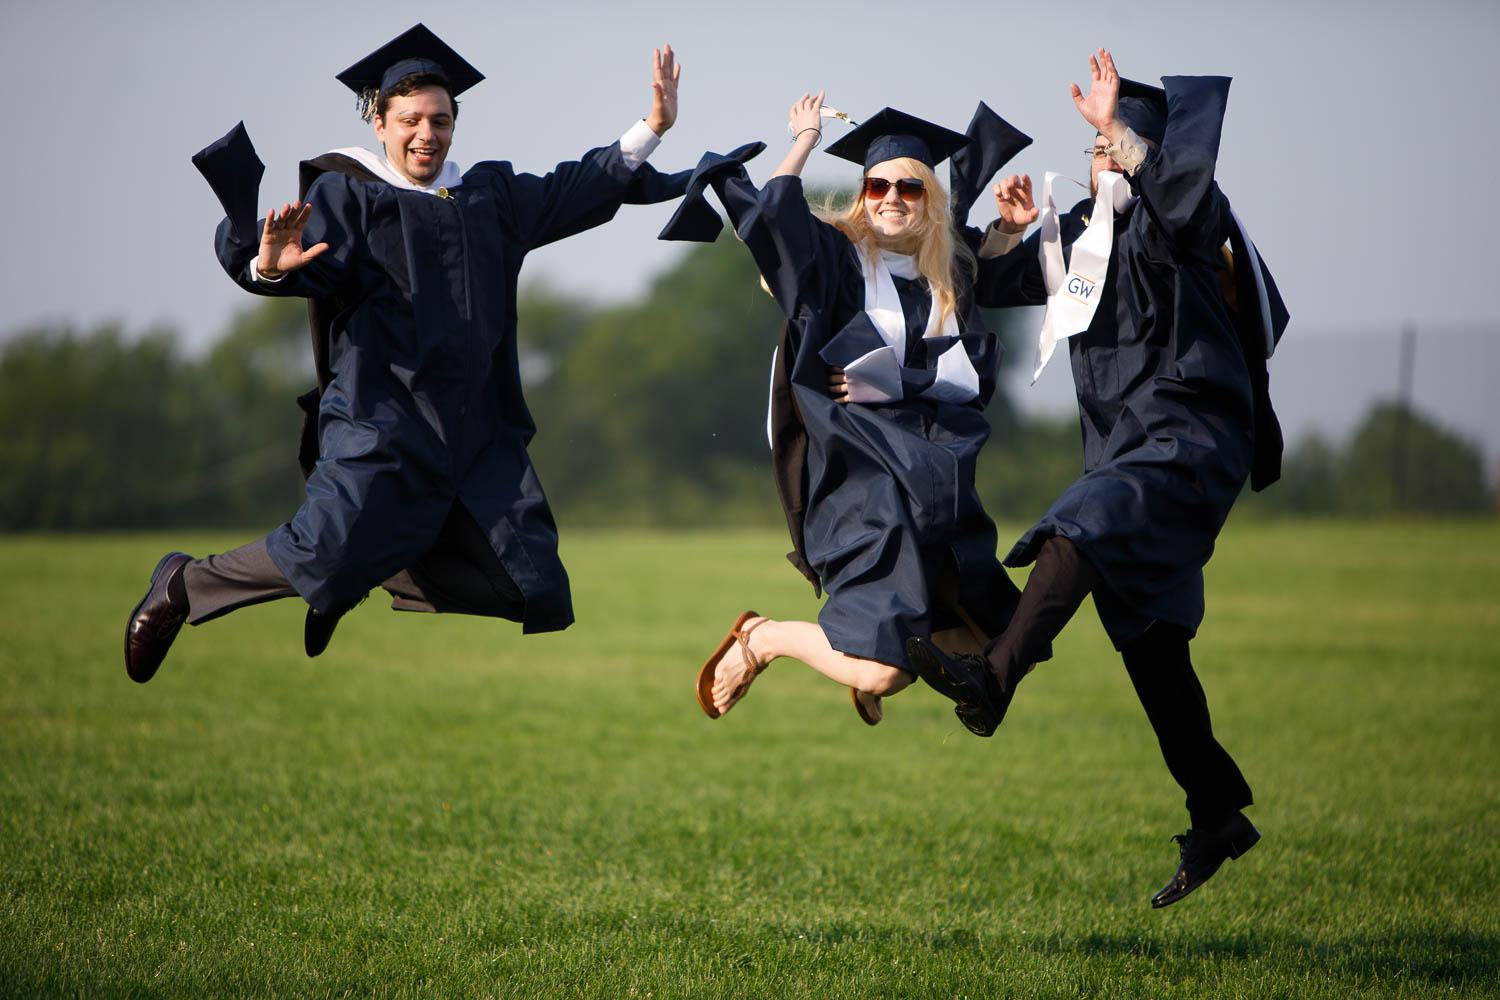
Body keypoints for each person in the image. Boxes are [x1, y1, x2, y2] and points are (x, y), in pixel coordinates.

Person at [125, 25, 689, 681]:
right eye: (412, 119)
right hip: (380, 421)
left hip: (470, 434)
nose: (428, 133)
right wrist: (270, 267)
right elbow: (310, 266)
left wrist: (652, 126)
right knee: (325, 548)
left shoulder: (488, 199)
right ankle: (185, 584)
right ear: (380, 123)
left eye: (441, 120)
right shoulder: (351, 196)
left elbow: (575, 185)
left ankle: (350, 573)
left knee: (525, 579)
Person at [907, 50, 1289, 908]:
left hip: (1187, 440)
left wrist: (1122, 132)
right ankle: (1218, 811)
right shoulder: (1083, 235)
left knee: (1083, 519)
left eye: (1115, 150)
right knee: (1152, 647)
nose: (1102, 161)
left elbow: (1186, 197)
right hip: (1127, 448)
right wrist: (1008, 230)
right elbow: (987, 280)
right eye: (1095, 152)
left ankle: (991, 681)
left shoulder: (1181, 228)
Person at [658, 96, 1032, 725]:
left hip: (932, 485)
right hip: (861, 483)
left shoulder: (945, 277)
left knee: (980, 643)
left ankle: (855, 650)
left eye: (909, 187)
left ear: (929, 199)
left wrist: (1009, 233)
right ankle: (765, 637)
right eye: (878, 184)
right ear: (863, 192)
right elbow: (778, 220)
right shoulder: (838, 261)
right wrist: (803, 140)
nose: (891, 196)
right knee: (886, 670)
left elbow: (973, 367)